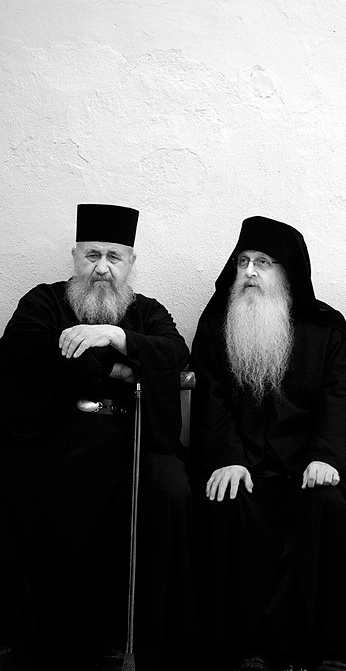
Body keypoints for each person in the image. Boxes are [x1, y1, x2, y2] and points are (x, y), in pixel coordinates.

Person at [0, 204, 196, 671]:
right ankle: (38, 645)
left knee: (170, 491)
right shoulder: (42, 302)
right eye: (92, 255)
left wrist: (113, 334)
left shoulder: (146, 311)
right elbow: (31, 352)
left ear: (131, 263)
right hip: (57, 432)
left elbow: (176, 354)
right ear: (75, 257)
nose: (102, 268)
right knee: (25, 489)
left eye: (114, 256)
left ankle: (145, 642)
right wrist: (119, 367)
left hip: (133, 434)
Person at [191, 216, 346, 671]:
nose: (250, 272)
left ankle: (338, 652)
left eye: (264, 262)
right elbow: (211, 400)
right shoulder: (218, 323)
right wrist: (227, 459)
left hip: (309, 468)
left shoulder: (326, 329)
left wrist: (326, 458)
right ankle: (242, 650)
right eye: (243, 262)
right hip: (245, 466)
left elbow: (342, 399)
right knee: (228, 501)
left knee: (328, 508)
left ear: (288, 273)